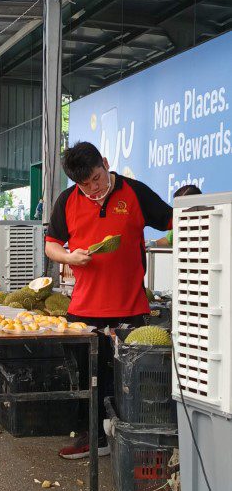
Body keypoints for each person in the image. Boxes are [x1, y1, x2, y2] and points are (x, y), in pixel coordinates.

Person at [45, 141, 172, 459]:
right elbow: (51, 244)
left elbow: (174, 221)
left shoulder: (135, 192)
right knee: (86, 378)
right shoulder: (67, 200)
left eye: (97, 179)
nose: (93, 189)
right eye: (85, 184)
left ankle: (130, 445)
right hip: (83, 310)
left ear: (105, 162)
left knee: (130, 382)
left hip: (129, 309)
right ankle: (92, 437)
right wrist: (69, 256)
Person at [147, 185, 202, 249]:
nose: (177, 209)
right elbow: (168, 240)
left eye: (179, 204)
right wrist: (154, 243)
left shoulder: (207, 220)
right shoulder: (180, 221)